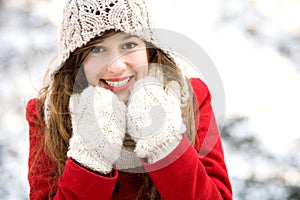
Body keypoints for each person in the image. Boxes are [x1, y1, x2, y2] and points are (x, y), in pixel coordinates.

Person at [26, 0, 232, 199]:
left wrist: (165, 144)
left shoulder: (191, 98)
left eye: (129, 44)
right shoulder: (48, 112)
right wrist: (90, 155)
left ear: (148, 48)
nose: (116, 67)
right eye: (97, 49)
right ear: (76, 60)